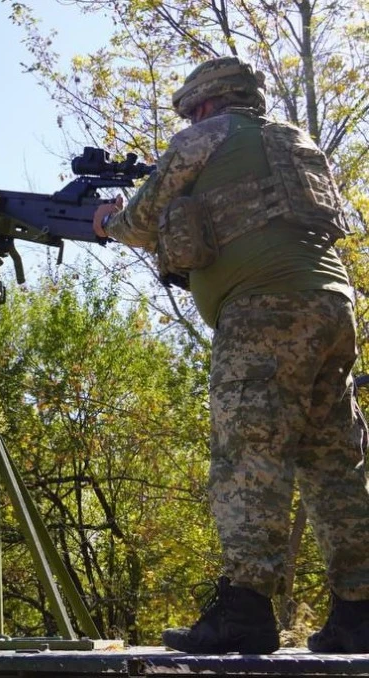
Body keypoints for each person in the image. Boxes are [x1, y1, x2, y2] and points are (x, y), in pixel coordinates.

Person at [93, 56, 369, 654]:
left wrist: (108, 221)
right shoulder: (295, 142)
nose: (190, 119)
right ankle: (359, 611)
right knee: (332, 460)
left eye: (193, 110)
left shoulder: (206, 138)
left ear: (212, 104)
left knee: (249, 451)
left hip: (264, 310)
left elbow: (140, 221)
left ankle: (244, 611)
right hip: (332, 306)